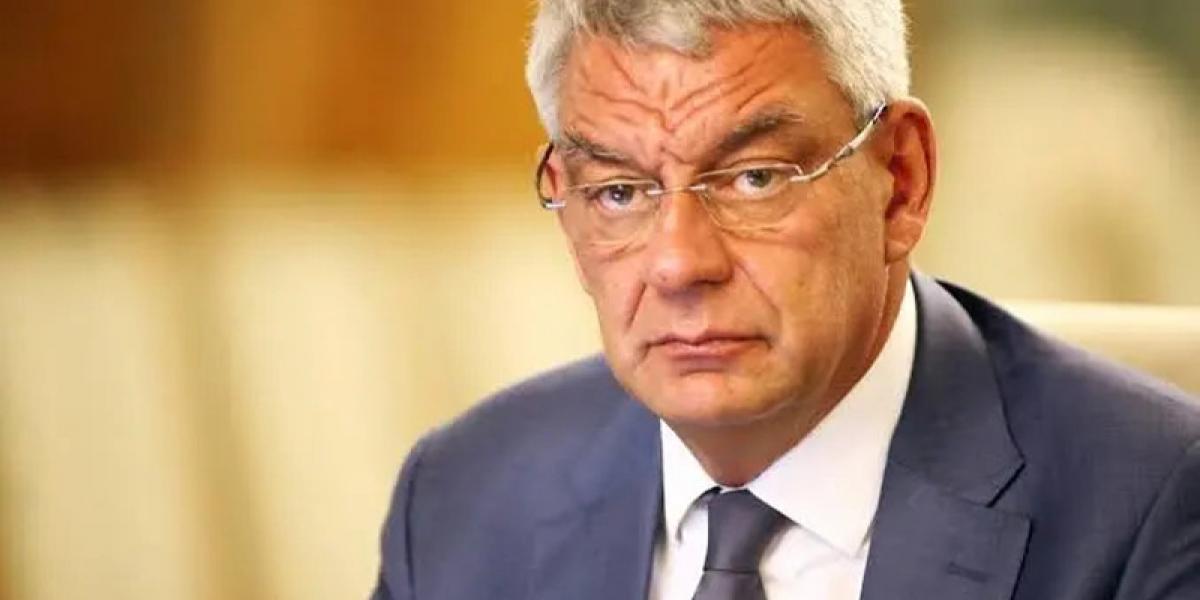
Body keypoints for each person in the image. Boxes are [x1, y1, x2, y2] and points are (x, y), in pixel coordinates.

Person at [371, 1, 1200, 598]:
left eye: (755, 178)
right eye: (619, 192)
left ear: (900, 179)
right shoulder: (459, 497)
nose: (678, 264)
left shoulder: (1151, 504)